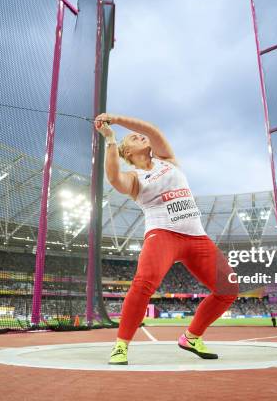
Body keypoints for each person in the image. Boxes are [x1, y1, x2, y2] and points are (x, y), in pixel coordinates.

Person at [94, 113, 238, 365]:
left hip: (196, 236)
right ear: (127, 152)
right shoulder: (135, 178)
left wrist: (116, 118)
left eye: (140, 135)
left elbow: (152, 130)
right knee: (144, 283)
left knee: (228, 289)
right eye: (133, 138)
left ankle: (192, 337)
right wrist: (111, 140)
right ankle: (121, 345)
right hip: (163, 234)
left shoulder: (167, 160)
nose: (140, 136)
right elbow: (115, 179)